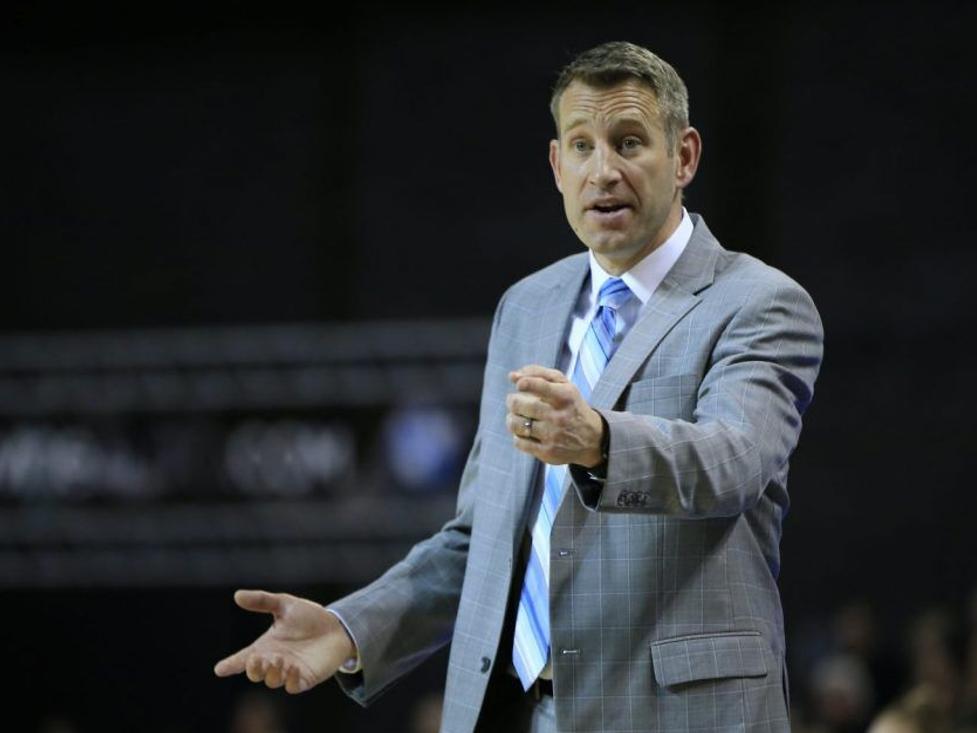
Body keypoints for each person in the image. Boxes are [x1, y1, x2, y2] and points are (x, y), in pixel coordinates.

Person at [215, 41, 824, 732]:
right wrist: (351, 627)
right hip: (518, 712)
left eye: (629, 142)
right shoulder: (528, 307)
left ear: (683, 157)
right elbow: (484, 538)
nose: (603, 170)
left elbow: (732, 461)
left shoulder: (757, 302)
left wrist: (599, 441)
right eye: (582, 146)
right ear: (557, 166)